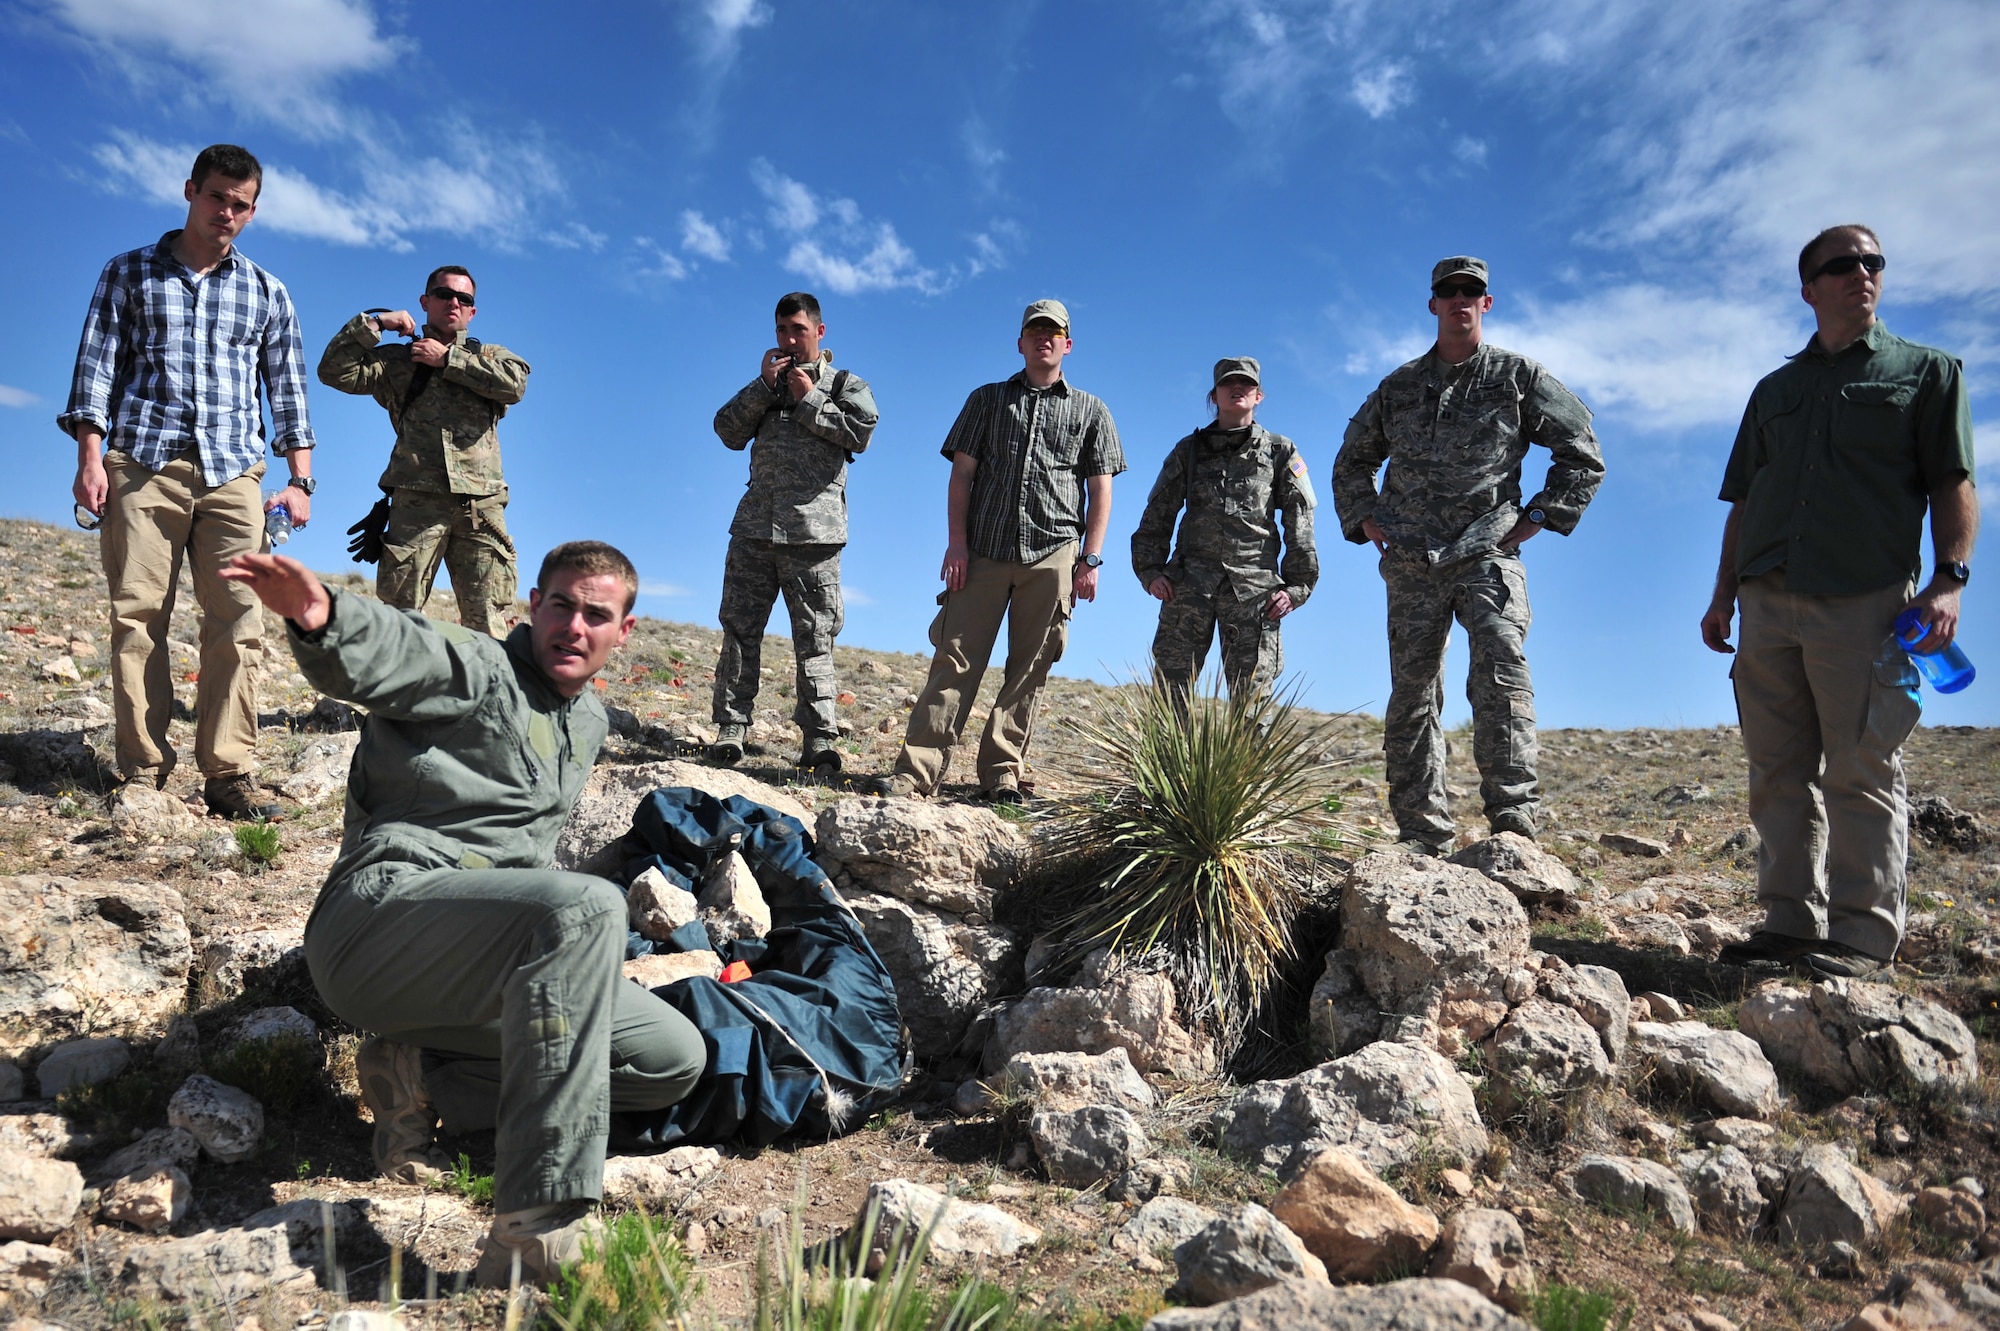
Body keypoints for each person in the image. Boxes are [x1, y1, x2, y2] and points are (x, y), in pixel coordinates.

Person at [220, 540, 706, 1287]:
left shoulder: (587, 722)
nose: (575, 626)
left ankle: (417, 1073)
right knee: (586, 908)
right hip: (377, 925)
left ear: (624, 630)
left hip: (468, 961)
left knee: (670, 1055)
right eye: (562, 605)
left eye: (596, 614)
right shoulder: (479, 669)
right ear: (532, 607)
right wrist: (324, 618)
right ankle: (536, 1233)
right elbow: (405, 650)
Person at [1702, 225, 1976, 980]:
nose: (1862, 272)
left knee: (1862, 766)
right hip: (1766, 601)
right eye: (1842, 264)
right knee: (1777, 770)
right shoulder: (1775, 391)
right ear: (1809, 287)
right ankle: (1788, 922)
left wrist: (1950, 577)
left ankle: (1861, 939)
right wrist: (1722, 593)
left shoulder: (1926, 372)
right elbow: (1745, 500)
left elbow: (1953, 480)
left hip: (1865, 603)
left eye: (1872, 261)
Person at [60, 143, 318, 821]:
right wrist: (91, 460)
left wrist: (301, 482)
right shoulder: (129, 273)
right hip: (144, 463)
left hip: (234, 471)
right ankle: (143, 770)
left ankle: (229, 771)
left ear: (253, 209)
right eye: (216, 198)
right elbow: (95, 374)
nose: (226, 213)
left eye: (241, 204)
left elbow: (287, 393)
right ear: (190, 192)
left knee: (239, 620)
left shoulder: (268, 292)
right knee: (137, 616)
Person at [1334, 257, 1604, 853]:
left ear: (1486, 303)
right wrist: (1366, 519)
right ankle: (1422, 836)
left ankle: (1513, 826)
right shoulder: (1397, 387)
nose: (1460, 300)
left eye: (1471, 292)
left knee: (1501, 672)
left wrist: (1539, 516)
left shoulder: (1517, 376)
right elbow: (1351, 461)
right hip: (1411, 560)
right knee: (1413, 694)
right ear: (1433, 304)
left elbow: (1581, 453)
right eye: (1448, 292)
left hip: (1488, 550)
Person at [870, 299, 1124, 803]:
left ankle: (1002, 771)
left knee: (1030, 668)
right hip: (982, 550)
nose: (1043, 340)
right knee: (954, 660)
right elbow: (961, 474)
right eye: (1034, 332)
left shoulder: (1092, 409)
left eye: (1054, 333)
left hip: (1053, 553)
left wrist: (1090, 558)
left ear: (1067, 344)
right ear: (1021, 343)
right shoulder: (986, 399)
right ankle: (916, 772)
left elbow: (1101, 489)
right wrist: (957, 544)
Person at [708, 292, 878, 777]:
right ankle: (731, 730)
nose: (788, 340)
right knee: (740, 632)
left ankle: (819, 740)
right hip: (754, 530)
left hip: (814, 535)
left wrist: (810, 400)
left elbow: (859, 433)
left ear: (819, 332)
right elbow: (725, 430)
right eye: (782, 330)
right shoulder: (767, 386)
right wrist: (764, 387)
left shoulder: (846, 385)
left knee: (815, 638)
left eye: (798, 330)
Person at [318, 265, 530, 637]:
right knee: (400, 618)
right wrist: (377, 322)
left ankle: (487, 694)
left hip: (480, 508)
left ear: (472, 312)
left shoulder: (492, 357)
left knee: (488, 623)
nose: (454, 303)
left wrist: (448, 360)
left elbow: (515, 384)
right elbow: (335, 371)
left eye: (464, 299)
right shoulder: (399, 362)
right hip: (416, 503)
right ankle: (395, 694)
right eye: (445, 294)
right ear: (425, 301)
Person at [1131, 357, 1318, 699]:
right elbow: (1158, 512)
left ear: (1258, 396)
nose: (1237, 389)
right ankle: (1171, 755)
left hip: (1255, 593)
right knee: (1169, 694)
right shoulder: (1188, 451)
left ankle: (1248, 757)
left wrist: (1297, 587)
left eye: (1246, 384)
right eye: (1227, 384)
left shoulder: (1280, 451)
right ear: (1214, 396)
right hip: (1188, 588)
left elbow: (1300, 520)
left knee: (1252, 702)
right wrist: (1150, 570)